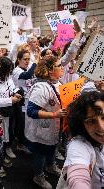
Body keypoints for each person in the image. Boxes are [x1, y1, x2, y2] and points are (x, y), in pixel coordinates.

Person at [26, 55, 67, 189]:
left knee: (52, 148)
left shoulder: (58, 83)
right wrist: (54, 114)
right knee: (41, 153)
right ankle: (38, 175)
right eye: (59, 65)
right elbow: (31, 111)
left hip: (56, 127)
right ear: (50, 71)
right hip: (42, 130)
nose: (62, 68)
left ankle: (50, 166)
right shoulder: (41, 87)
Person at [62, 91, 104, 189]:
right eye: (91, 121)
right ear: (81, 124)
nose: (101, 127)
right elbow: (78, 177)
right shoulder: (78, 146)